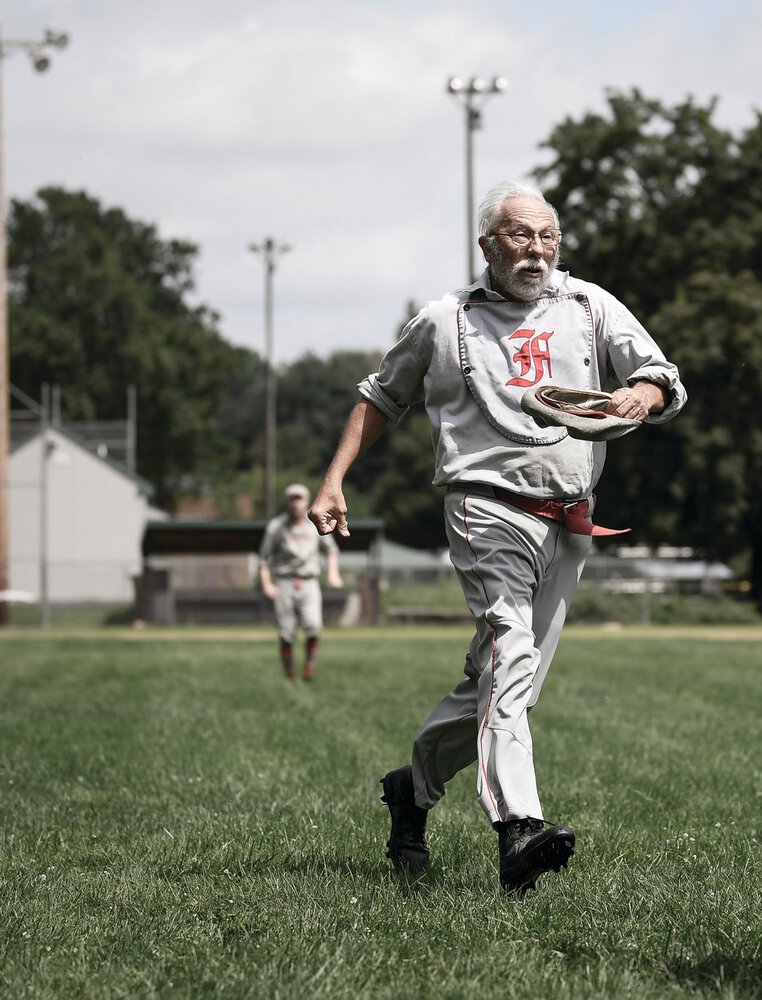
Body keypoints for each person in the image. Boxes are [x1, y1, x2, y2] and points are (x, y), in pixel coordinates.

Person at [309, 180, 686, 894]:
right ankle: (520, 829)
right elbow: (380, 397)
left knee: (502, 686)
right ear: (488, 245)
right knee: (510, 655)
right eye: (519, 235)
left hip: (571, 517)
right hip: (486, 511)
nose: (536, 249)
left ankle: (411, 788)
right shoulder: (445, 320)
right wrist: (333, 479)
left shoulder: (589, 306)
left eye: (547, 236)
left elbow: (661, 375)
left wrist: (642, 395)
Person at [259, 482, 343, 682]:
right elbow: (263, 559)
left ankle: (309, 670)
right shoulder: (276, 527)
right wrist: (267, 584)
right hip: (284, 582)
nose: (295, 503)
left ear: (306, 501)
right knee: (287, 632)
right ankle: (289, 675)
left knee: (313, 626)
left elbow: (331, 550)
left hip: (309, 582)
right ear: (287, 502)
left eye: (299, 499)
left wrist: (333, 574)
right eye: (292, 499)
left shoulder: (314, 525)